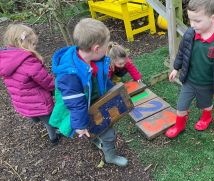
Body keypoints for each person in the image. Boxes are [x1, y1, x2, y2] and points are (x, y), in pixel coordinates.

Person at [49, 18, 128, 167]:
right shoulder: (70, 74)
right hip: (84, 108)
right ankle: (110, 157)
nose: (108, 50)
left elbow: (102, 79)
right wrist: (80, 124)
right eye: (106, 46)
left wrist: (112, 90)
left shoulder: (94, 58)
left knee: (94, 128)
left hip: (94, 99)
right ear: (96, 48)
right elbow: (75, 103)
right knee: (109, 133)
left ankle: (93, 136)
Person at [165, 0, 214, 139]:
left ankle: (206, 117)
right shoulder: (190, 34)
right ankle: (179, 125)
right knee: (181, 105)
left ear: (213, 18)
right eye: (190, 20)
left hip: (207, 84)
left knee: (206, 104)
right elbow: (183, 52)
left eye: (197, 21)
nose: (192, 25)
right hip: (189, 80)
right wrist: (176, 68)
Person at [0, 24, 59, 144]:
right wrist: (56, 87)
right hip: (38, 101)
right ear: (23, 43)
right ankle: (54, 138)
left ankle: (35, 118)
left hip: (22, 100)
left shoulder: (5, 58)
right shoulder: (28, 62)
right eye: (33, 44)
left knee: (33, 112)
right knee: (49, 121)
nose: (34, 47)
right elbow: (46, 81)